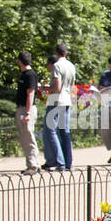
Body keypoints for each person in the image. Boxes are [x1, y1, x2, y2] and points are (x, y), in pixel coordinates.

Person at [42, 42, 76, 171]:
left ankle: (59, 162)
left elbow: (56, 87)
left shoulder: (57, 66)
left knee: (50, 130)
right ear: (66, 53)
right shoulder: (71, 66)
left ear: (56, 53)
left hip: (56, 101)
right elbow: (72, 85)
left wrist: (45, 88)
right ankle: (68, 162)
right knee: (65, 132)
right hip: (67, 100)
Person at [14, 51, 41, 175]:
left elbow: (30, 94)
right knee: (25, 137)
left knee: (28, 136)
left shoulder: (30, 75)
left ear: (20, 61)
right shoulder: (25, 74)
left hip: (26, 108)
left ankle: (33, 165)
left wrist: (28, 112)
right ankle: (34, 163)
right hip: (22, 108)